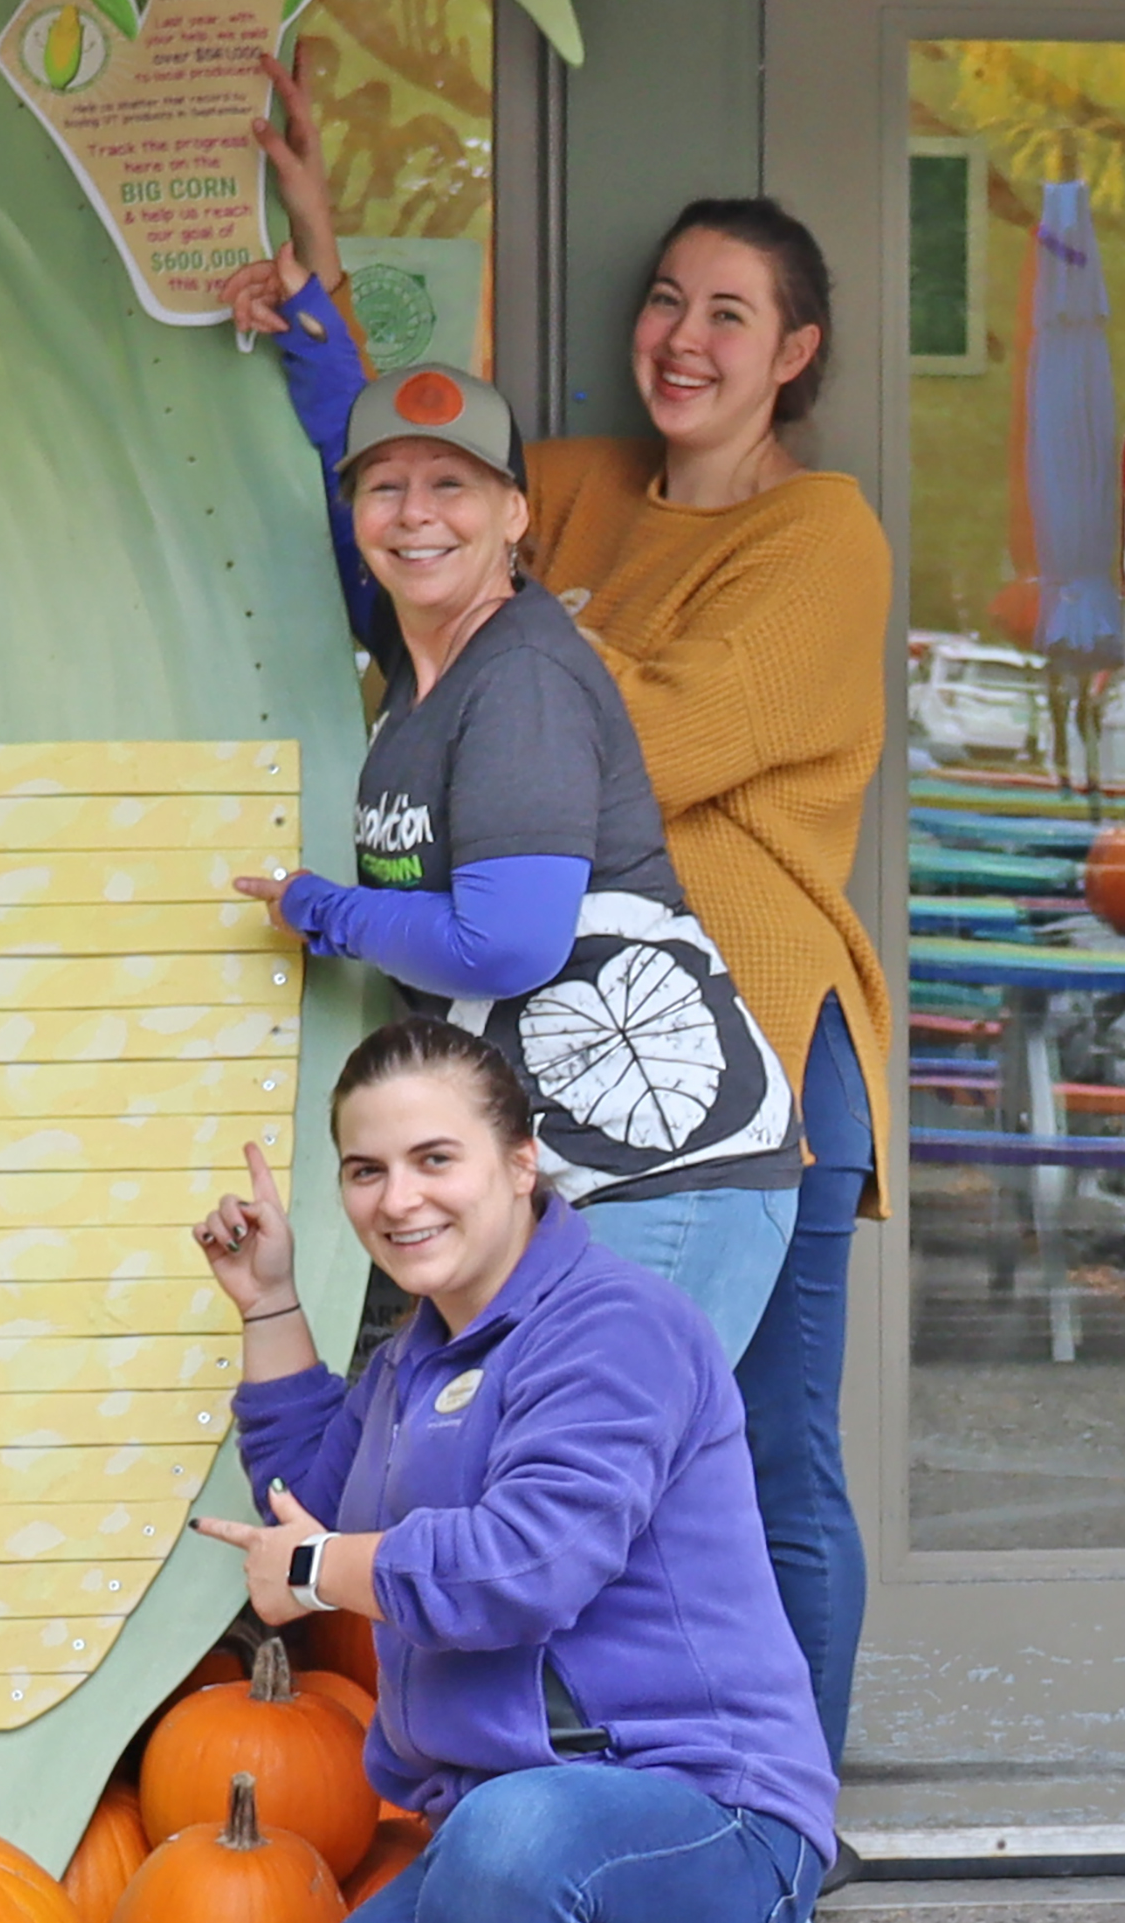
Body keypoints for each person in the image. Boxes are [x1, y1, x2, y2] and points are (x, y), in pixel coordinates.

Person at [232, 74, 884, 1923]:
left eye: (732, 317)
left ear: (800, 357)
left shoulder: (819, 535)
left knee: (759, 1472)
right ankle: (642, 1873)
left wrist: (516, 679)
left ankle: (773, 1878)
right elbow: (416, 543)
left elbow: (613, 742)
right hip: (571, 1100)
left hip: (741, 1063)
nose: (685, 338)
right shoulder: (574, 493)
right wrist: (322, 295)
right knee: (629, 1470)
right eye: (666, 302)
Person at [175, 1019, 834, 1923]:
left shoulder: (617, 1331)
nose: (398, 1196)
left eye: (435, 1157)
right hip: (509, 1837)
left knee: (517, 1836)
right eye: (366, 1170)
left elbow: (522, 1569)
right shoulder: (420, 1358)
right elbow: (316, 1502)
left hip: (708, 1817)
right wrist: (270, 1305)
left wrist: (315, 1576)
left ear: (522, 1160)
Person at [213, 200, 807, 1328]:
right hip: (575, 1176)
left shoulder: (521, 682)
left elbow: (510, 941)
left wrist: (318, 910)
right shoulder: (422, 638)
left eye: (455, 489)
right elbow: (359, 460)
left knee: (581, 1494)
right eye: (388, 488)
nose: (416, 515)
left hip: (666, 1172)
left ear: (515, 515)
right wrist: (307, 319)